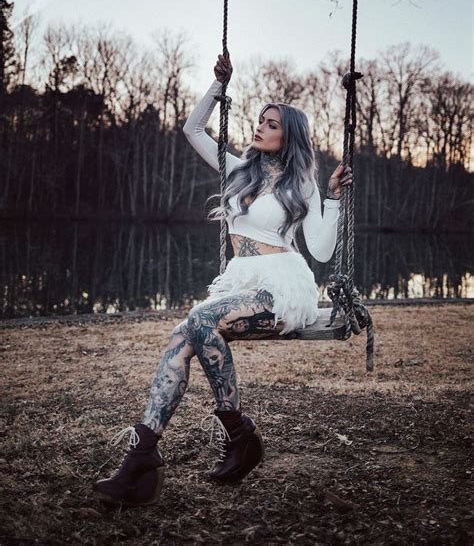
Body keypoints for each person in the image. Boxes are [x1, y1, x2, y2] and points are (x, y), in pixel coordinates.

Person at [93, 53, 353, 507]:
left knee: (197, 320)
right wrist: (218, 86)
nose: (260, 127)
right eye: (260, 120)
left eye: (270, 124)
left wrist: (332, 200)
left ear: (288, 134)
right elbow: (193, 130)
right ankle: (144, 456)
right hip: (240, 282)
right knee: (181, 339)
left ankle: (235, 434)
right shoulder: (239, 170)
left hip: (282, 286)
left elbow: (324, 251)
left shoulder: (303, 186)